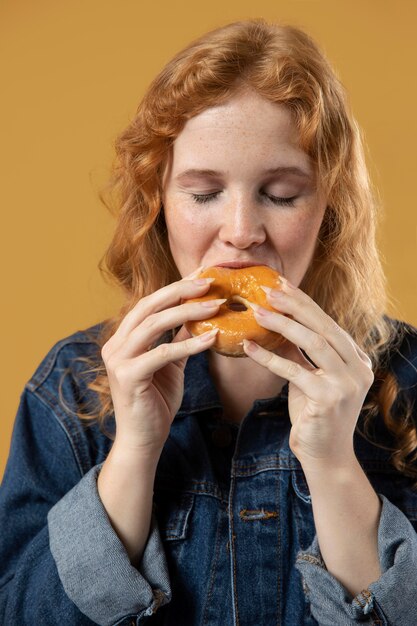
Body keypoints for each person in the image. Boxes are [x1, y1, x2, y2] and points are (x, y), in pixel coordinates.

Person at [1, 18, 417, 626]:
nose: (242, 232)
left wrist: (333, 469)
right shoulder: (68, 389)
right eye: (203, 194)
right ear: (158, 206)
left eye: (280, 194)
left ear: (329, 210)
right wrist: (135, 452)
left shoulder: (407, 382)